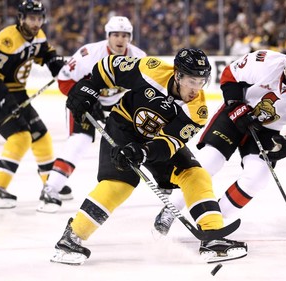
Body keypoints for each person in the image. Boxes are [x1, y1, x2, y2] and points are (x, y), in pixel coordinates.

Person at [49, 48, 248, 266]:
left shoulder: (197, 110)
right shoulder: (150, 69)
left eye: (202, 81)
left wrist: (142, 152)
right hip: (122, 128)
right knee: (120, 184)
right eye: (192, 81)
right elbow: (109, 67)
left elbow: (168, 143)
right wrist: (90, 87)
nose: (196, 88)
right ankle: (71, 238)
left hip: (156, 142)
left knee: (195, 174)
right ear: (178, 75)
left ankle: (213, 238)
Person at [153, 36, 286, 235]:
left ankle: (214, 219)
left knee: (257, 179)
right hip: (236, 116)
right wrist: (237, 106)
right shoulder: (264, 61)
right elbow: (230, 75)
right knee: (209, 162)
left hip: (267, 132)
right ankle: (171, 210)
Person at [37, 16, 146, 213]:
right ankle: (50, 189)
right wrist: (85, 99)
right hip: (85, 104)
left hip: (117, 107)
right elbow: (64, 80)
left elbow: (145, 89)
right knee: (79, 141)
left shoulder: (139, 57)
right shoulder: (89, 54)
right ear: (108, 36)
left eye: (124, 35)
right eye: (115, 35)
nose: (120, 39)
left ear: (130, 37)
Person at [0, 0, 65, 209]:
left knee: (40, 134)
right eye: (31, 18)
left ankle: (50, 185)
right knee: (20, 137)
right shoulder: (6, 40)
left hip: (15, 92)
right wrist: (6, 102)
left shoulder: (38, 35)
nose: (36, 23)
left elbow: (46, 53)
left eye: (39, 18)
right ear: (21, 18)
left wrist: (56, 65)